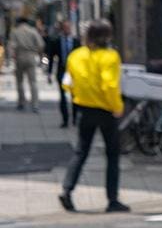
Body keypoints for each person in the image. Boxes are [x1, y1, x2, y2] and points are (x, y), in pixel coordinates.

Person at [59, 19, 129, 214]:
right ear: (107, 37)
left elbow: (67, 83)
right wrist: (117, 107)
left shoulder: (76, 55)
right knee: (112, 154)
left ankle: (67, 190)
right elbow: (110, 85)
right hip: (106, 110)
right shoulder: (110, 56)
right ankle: (112, 199)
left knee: (81, 151)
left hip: (84, 108)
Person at [9, 16, 44, 112]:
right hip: (31, 56)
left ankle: (21, 102)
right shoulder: (32, 31)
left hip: (20, 56)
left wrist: (13, 58)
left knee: (19, 81)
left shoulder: (15, 31)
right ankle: (35, 104)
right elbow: (41, 44)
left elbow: (12, 46)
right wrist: (38, 54)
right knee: (33, 81)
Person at [49, 20, 79, 128]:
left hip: (74, 72)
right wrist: (49, 73)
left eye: (68, 27)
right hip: (62, 71)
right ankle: (65, 120)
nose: (67, 29)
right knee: (62, 96)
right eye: (65, 27)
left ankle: (75, 118)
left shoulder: (76, 41)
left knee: (74, 96)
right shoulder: (56, 41)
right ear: (62, 29)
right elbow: (51, 58)